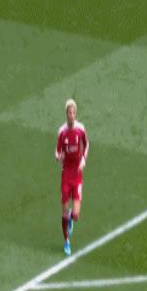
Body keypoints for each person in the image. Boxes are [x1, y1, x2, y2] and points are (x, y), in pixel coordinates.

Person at [55, 99, 89, 256]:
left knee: (75, 215)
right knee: (64, 212)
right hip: (66, 175)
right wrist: (58, 157)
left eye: (74, 112)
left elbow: (86, 145)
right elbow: (57, 150)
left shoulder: (80, 129)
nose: (72, 115)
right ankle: (66, 241)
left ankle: (70, 219)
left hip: (77, 174)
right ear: (66, 114)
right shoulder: (62, 131)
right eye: (69, 112)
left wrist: (83, 161)